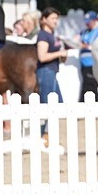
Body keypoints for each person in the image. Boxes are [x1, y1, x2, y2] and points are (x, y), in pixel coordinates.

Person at [35, 8, 69, 142]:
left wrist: (62, 55)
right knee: (47, 105)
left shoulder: (53, 34)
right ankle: (43, 136)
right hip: (45, 71)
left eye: (56, 18)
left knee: (57, 105)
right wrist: (60, 53)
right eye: (53, 18)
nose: (56, 21)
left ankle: (48, 135)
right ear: (44, 19)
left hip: (53, 71)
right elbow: (42, 57)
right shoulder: (43, 35)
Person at [78, 12, 98, 101]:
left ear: (95, 20)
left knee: (91, 87)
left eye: (89, 22)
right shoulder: (84, 32)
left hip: (93, 64)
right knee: (86, 85)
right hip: (84, 64)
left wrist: (87, 46)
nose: (87, 24)